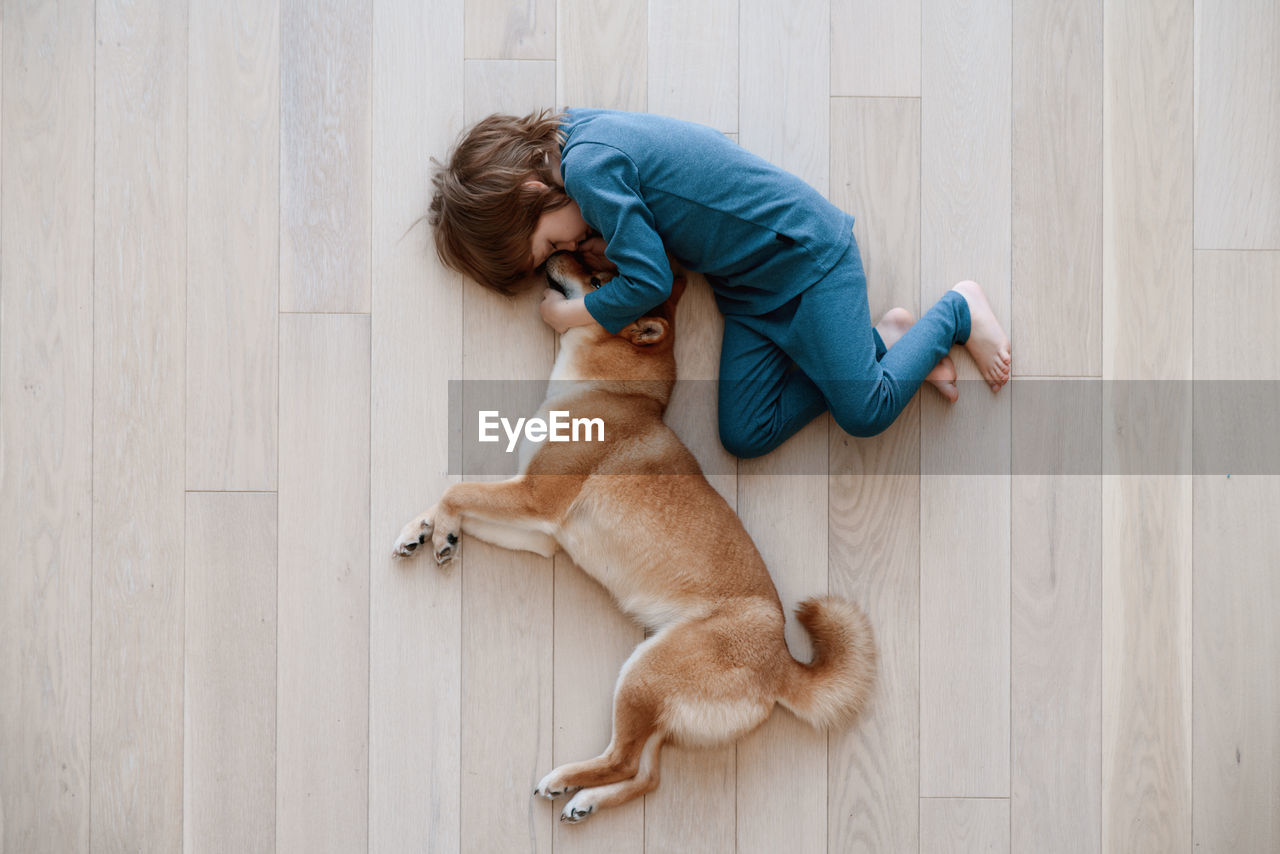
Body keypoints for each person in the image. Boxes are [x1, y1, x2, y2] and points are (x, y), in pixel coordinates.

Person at [429, 108, 1011, 459]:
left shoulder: (589, 165)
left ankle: (956, 312)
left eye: (552, 245)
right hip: (749, 291)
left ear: (532, 191)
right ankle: (885, 341)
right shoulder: (581, 144)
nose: (569, 249)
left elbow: (652, 281)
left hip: (807, 257)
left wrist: (570, 315)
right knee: (744, 432)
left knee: (865, 412)